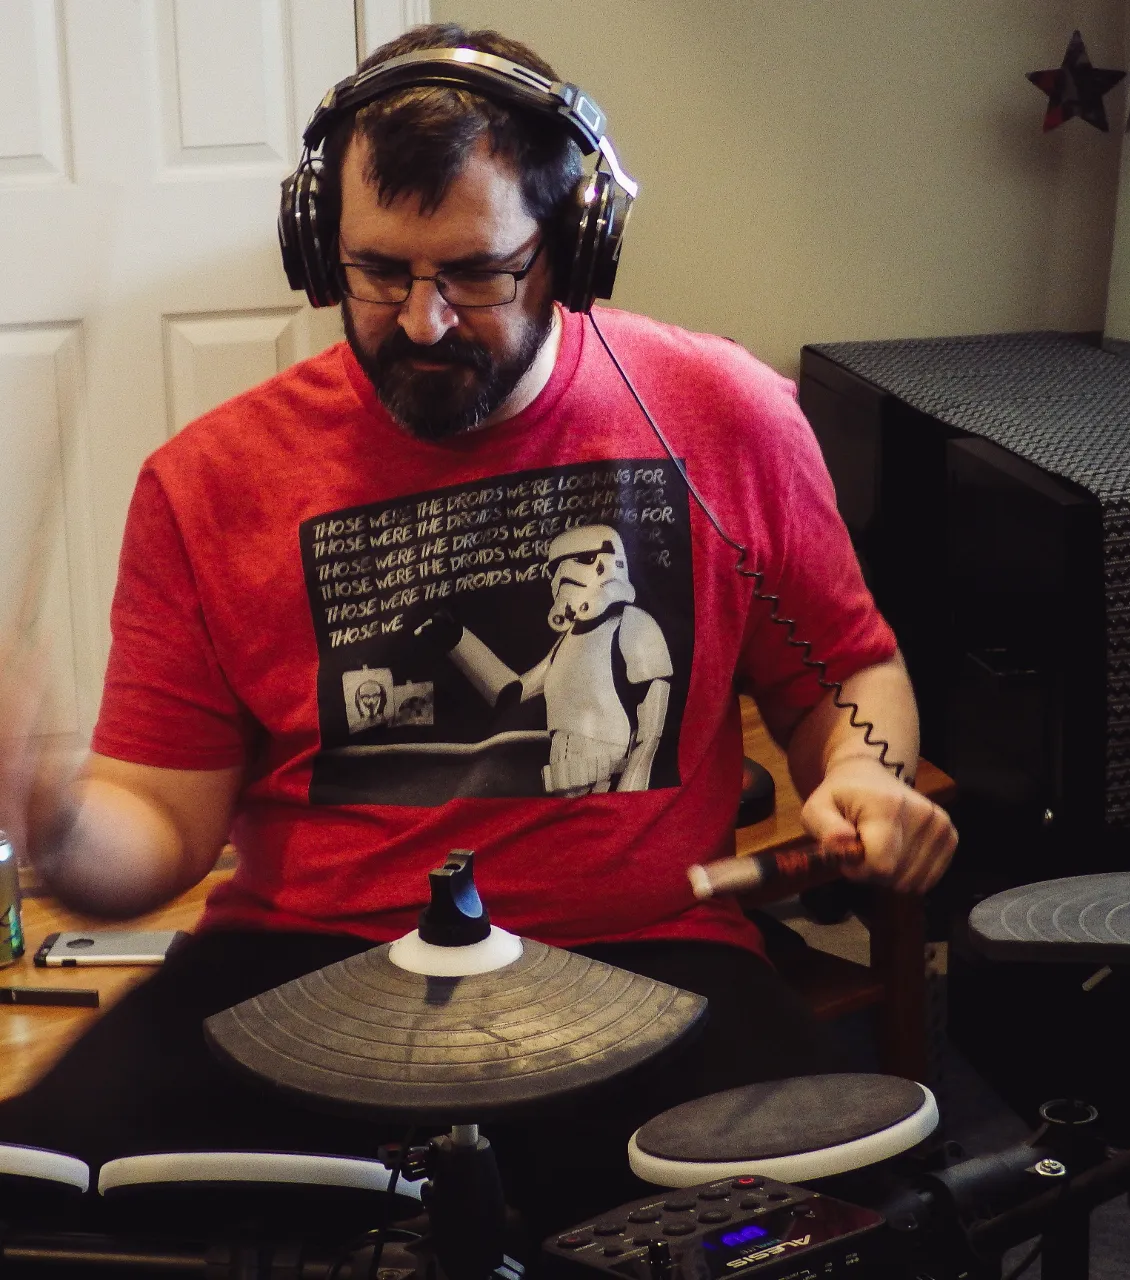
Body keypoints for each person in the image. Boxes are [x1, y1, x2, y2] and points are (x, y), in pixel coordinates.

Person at [0, 22, 956, 1242]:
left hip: (646, 953)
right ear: (318, 244)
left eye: (475, 272)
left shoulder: (725, 415)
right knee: (41, 1202)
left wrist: (862, 779)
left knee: (827, 1229)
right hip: (301, 964)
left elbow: (844, 667)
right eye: (378, 271)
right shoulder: (210, 478)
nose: (423, 320)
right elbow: (163, 821)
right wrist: (54, 820)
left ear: (572, 246)